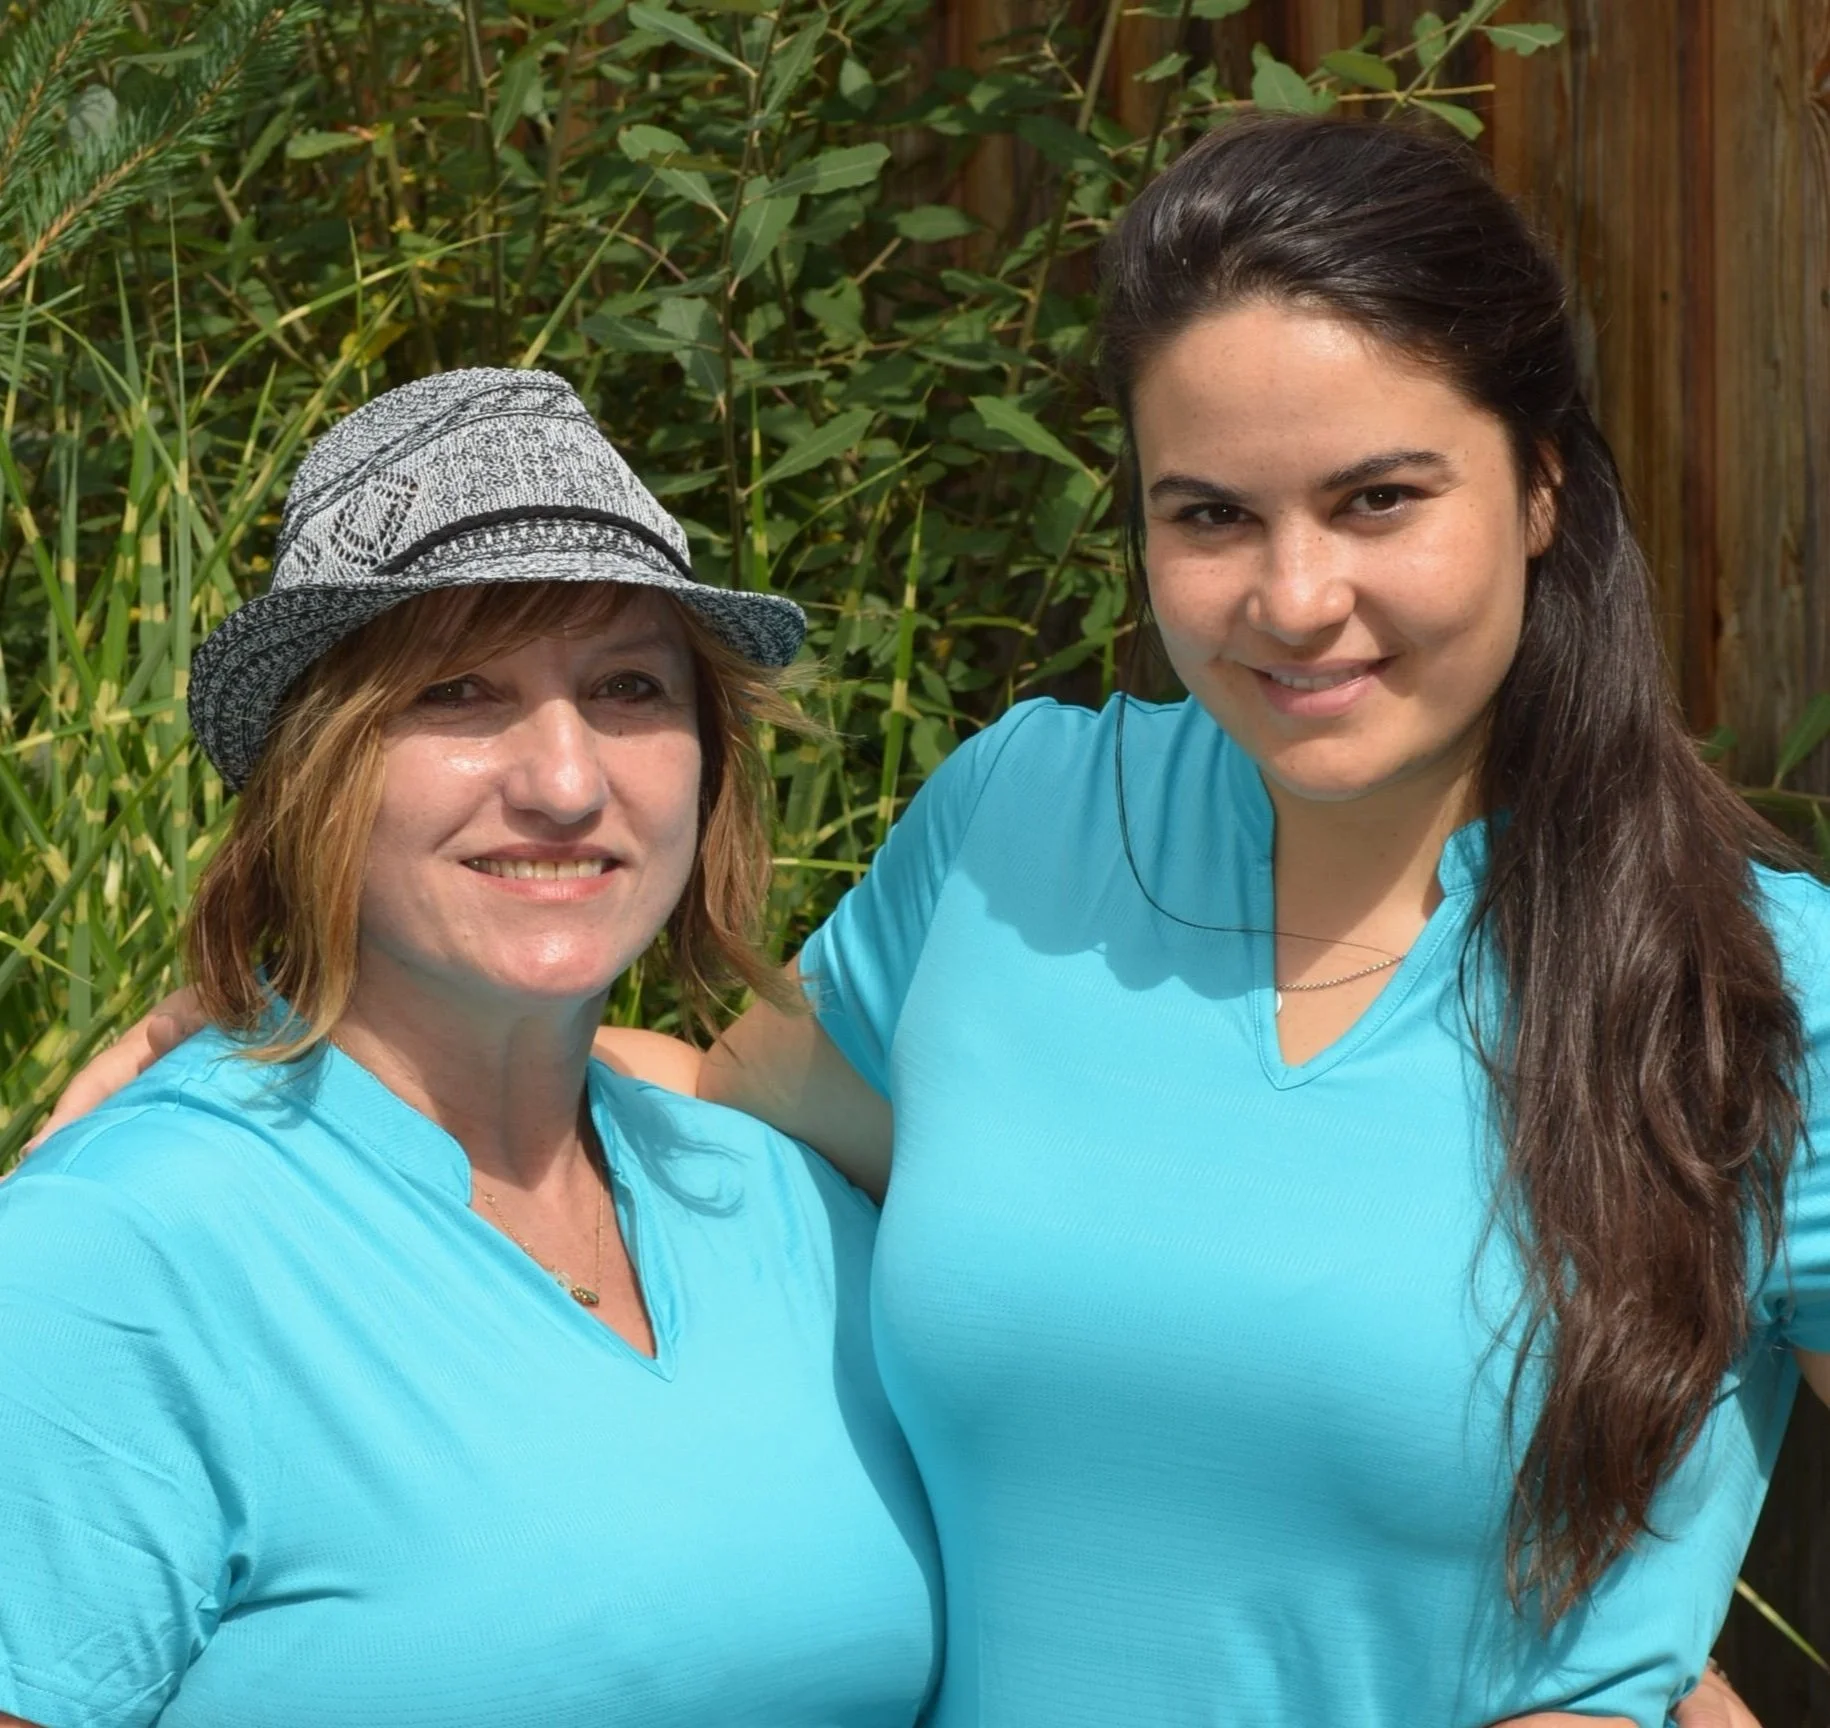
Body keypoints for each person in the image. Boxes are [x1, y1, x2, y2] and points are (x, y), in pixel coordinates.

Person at [29, 129, 1777, 1727]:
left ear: (1541, 486)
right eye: (1209, 515)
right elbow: (757, 1094)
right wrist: (267, 1056)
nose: (1294, 595)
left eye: (1378, 498)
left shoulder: (1748, 980)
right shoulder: (1021, 827)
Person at [0, 368, 943, 1728]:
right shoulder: (116, 1253)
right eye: (458, 692)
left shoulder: (788, 1204)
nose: (564, 783)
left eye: (628, 686)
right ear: (311, 769)